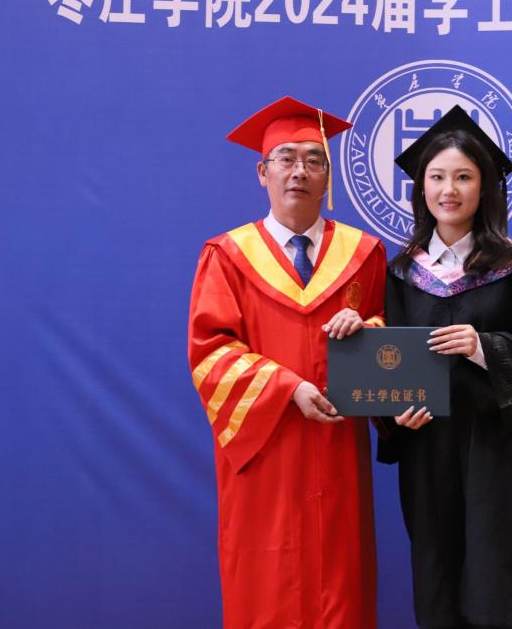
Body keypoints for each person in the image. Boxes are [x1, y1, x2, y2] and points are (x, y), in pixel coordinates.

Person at [187, 96, 386, 629]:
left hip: (337, 445)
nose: (300, 171)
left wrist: (369, 331)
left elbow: (391, 335)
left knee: (340, 576)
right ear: (263, 173)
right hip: (266, 448)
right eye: (286, 159)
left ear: (328, 177)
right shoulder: (227, 256)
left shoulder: (364, 254)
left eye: (314, 160)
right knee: (266, 580)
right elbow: (210, 351)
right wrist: (287, 387)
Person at [379, 105, 512, 629]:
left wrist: (483, 346)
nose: (449, 189)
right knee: (436, 575)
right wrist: (394, 415)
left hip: (497, 450)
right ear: (421, 187)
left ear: (484, 187)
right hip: (428, 447)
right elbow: (386, 361)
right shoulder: (401, 274)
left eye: (463, 177)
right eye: (437, 177)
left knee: (496, 578)